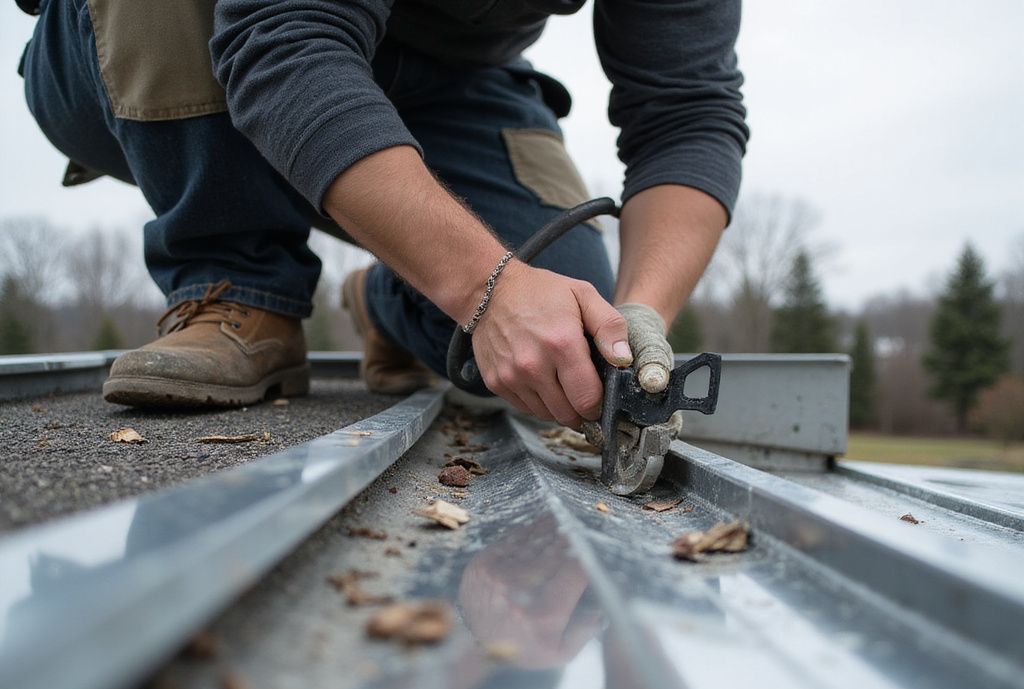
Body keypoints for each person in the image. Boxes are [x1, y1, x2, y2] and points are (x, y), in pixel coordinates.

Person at [17, 0, 747, 426]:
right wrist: (482, 285)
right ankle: (236, 284)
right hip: (194, 26)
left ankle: (383, 297)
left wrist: (638, 315)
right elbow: (282, 38)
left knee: (562, 321)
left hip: (445, 76)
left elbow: (687, 114)